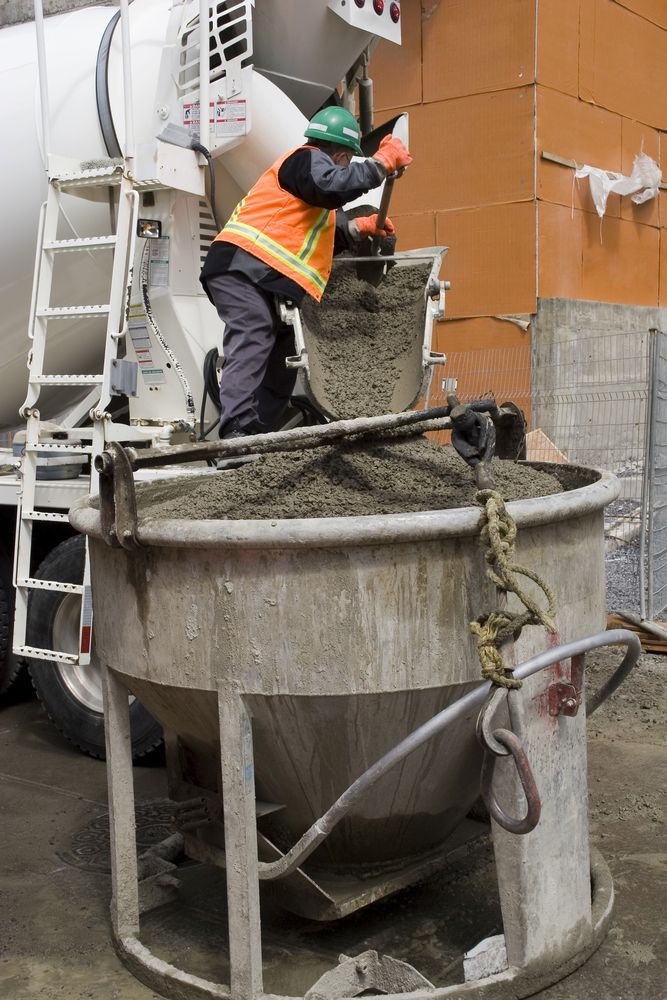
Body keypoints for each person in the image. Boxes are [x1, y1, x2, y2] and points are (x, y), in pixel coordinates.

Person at [199, 105, 412, 440]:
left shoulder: (310, 189)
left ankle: (261, 433)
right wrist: (379, 165)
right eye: (348, 163)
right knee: (254, 329)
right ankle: (236, 429)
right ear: (342, 156)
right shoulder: (307, 159)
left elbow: (318, 235)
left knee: (283, 357)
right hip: (242, 266)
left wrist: (360, 227)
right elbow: (332, 186)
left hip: (259, 276)